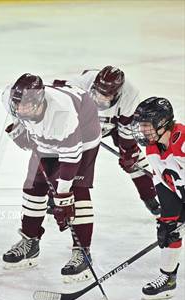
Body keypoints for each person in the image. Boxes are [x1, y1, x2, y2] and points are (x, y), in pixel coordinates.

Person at [1, 73, 101, 283]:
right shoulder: (10, 98)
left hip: (84, 133)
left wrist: (62, 196)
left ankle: (82, 252)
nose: (19, 110)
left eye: (25, 107)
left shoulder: (62, 115)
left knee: (77, 190)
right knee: (33, 187)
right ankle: (30, 243)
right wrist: (21, 130)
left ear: (39, 103)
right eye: (17, 106)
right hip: (49, 136)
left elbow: (70, 160)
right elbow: (17, 116)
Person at [69, 66, 160, 215]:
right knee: (69, 156)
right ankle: (56, 194)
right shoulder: (78, 85)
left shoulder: (130, 95)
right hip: (84, 122)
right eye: (98, 94)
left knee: (132, 159)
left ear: (117, 93)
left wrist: (128, 152)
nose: (100, 99)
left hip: (116, 123)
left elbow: (126, 129)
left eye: (107, 96)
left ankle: (150, 195)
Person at [131, 97, 184, 300]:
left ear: (162, 122)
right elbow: (163, 181)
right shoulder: (152, 148)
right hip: (178, 192)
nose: (142, 131)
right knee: (168, 229)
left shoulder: (183, 140)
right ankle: (168, 280)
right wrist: (169, 221)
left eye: (146, 125)